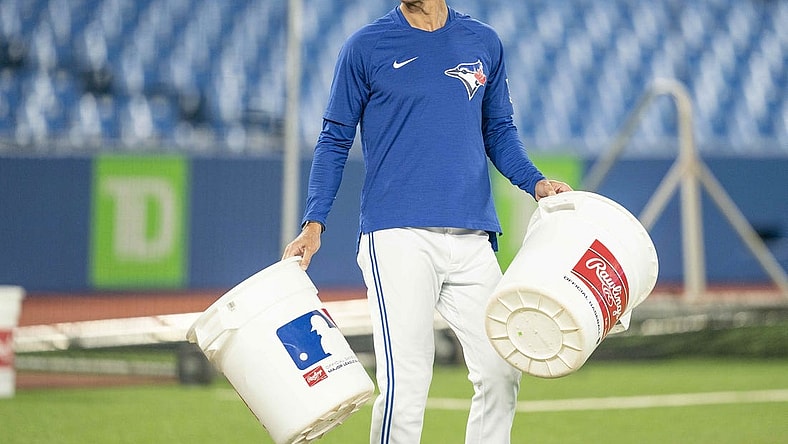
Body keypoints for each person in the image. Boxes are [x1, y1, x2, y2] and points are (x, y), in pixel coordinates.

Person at [283, 1, 572, 443]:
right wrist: (314, 221)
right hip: (397, 234)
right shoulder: (364, 47)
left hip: (473, 234)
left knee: (502, 369)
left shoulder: (483, 42)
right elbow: (334, 138)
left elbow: (499, 130)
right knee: (407, 379)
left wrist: (535, 183)